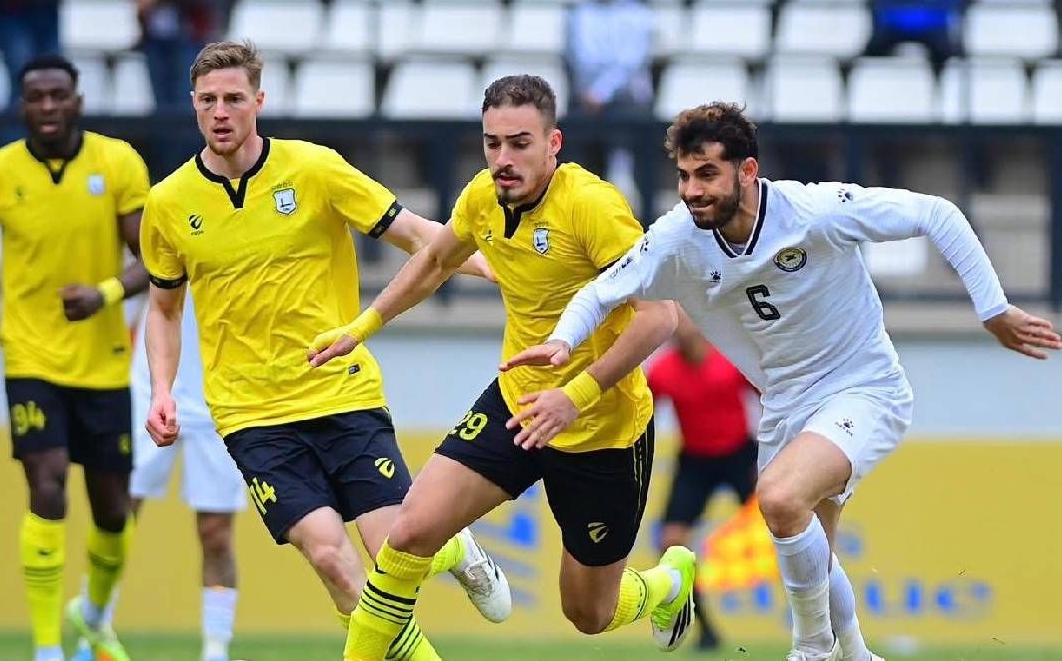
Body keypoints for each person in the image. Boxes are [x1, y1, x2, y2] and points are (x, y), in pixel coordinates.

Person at [504, 101, 1062, 661]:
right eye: (683, 176)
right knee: (813, 551)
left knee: (778, 497)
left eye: (707, 175)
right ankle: (857, 653)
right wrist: (563, 341)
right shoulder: (677, 236)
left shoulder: (814, 210)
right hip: (786, 406)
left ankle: (812, 647)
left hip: (863, 388)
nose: (692, 191)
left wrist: (993, 309)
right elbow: (603, 291)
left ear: (747, 171)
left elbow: (937, 213)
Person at [138, 40, 511, 661]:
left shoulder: (314, 169)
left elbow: (420, 236)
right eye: (209, 101)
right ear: (193, 106)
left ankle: (454, 547)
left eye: (234, 98)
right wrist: (160, 391)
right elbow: (164, 309)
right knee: (335, 564)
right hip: (251, 414)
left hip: (341, 390)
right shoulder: (169, 204)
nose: (221, 112)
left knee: (393, 546)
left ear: (259, 100)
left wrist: (500, 270)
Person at [309, 74, 698, 661]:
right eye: (493, 143)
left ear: (554, 143)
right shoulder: (482, 197)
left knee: (589, 613)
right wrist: (361, 328)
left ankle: (669, 582)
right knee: (408, 532)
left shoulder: (594, 207)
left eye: (519, 143)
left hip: (600, 428)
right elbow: (437, 259)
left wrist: (577, 396)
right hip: (517, 404)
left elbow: (660, 317)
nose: (503, 159)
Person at [0, 55, 150, 661]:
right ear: (23, 105)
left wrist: (104, 294)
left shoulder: (117, 163)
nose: (50, 107)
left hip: (105, 361)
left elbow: (154, 261)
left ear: (78, 101)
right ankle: (45, 648)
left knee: (112, 510)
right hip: (29, 357)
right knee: (48, 483)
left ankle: (93, 616)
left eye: (60, 95)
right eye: (37, 97)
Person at [72, 292, 244, 661]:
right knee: (118, 517)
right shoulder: (155, 238)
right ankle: (92, 635)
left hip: (223, 399)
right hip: (148, 395)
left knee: (216, 534)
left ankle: (216, 653)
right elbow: (125, 314)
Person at [646, 307, 758, 651]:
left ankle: (821, 623)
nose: (680, 328)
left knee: (788, 529)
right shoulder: (663, 371)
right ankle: (705, 630)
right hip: (695, 460)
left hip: (741, 455)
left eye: (686, 318)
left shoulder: (730, 357)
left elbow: (771, 396)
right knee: (671, 541)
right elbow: (642, 418)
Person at [564, 0, 655, 216]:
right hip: (585, 98)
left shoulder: (638, 7)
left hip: (628, 98)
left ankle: (632, 204)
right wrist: (591, 92)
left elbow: (632, 58)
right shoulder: (579, 8)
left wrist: (601, 91)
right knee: (576, 138)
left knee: (629, 122)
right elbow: (581, 54)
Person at [0, 0, 60, 105]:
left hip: (45, 11)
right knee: (23, 73)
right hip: (9, 10)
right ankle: (20, 120)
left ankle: (32, 119)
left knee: (51, 74)